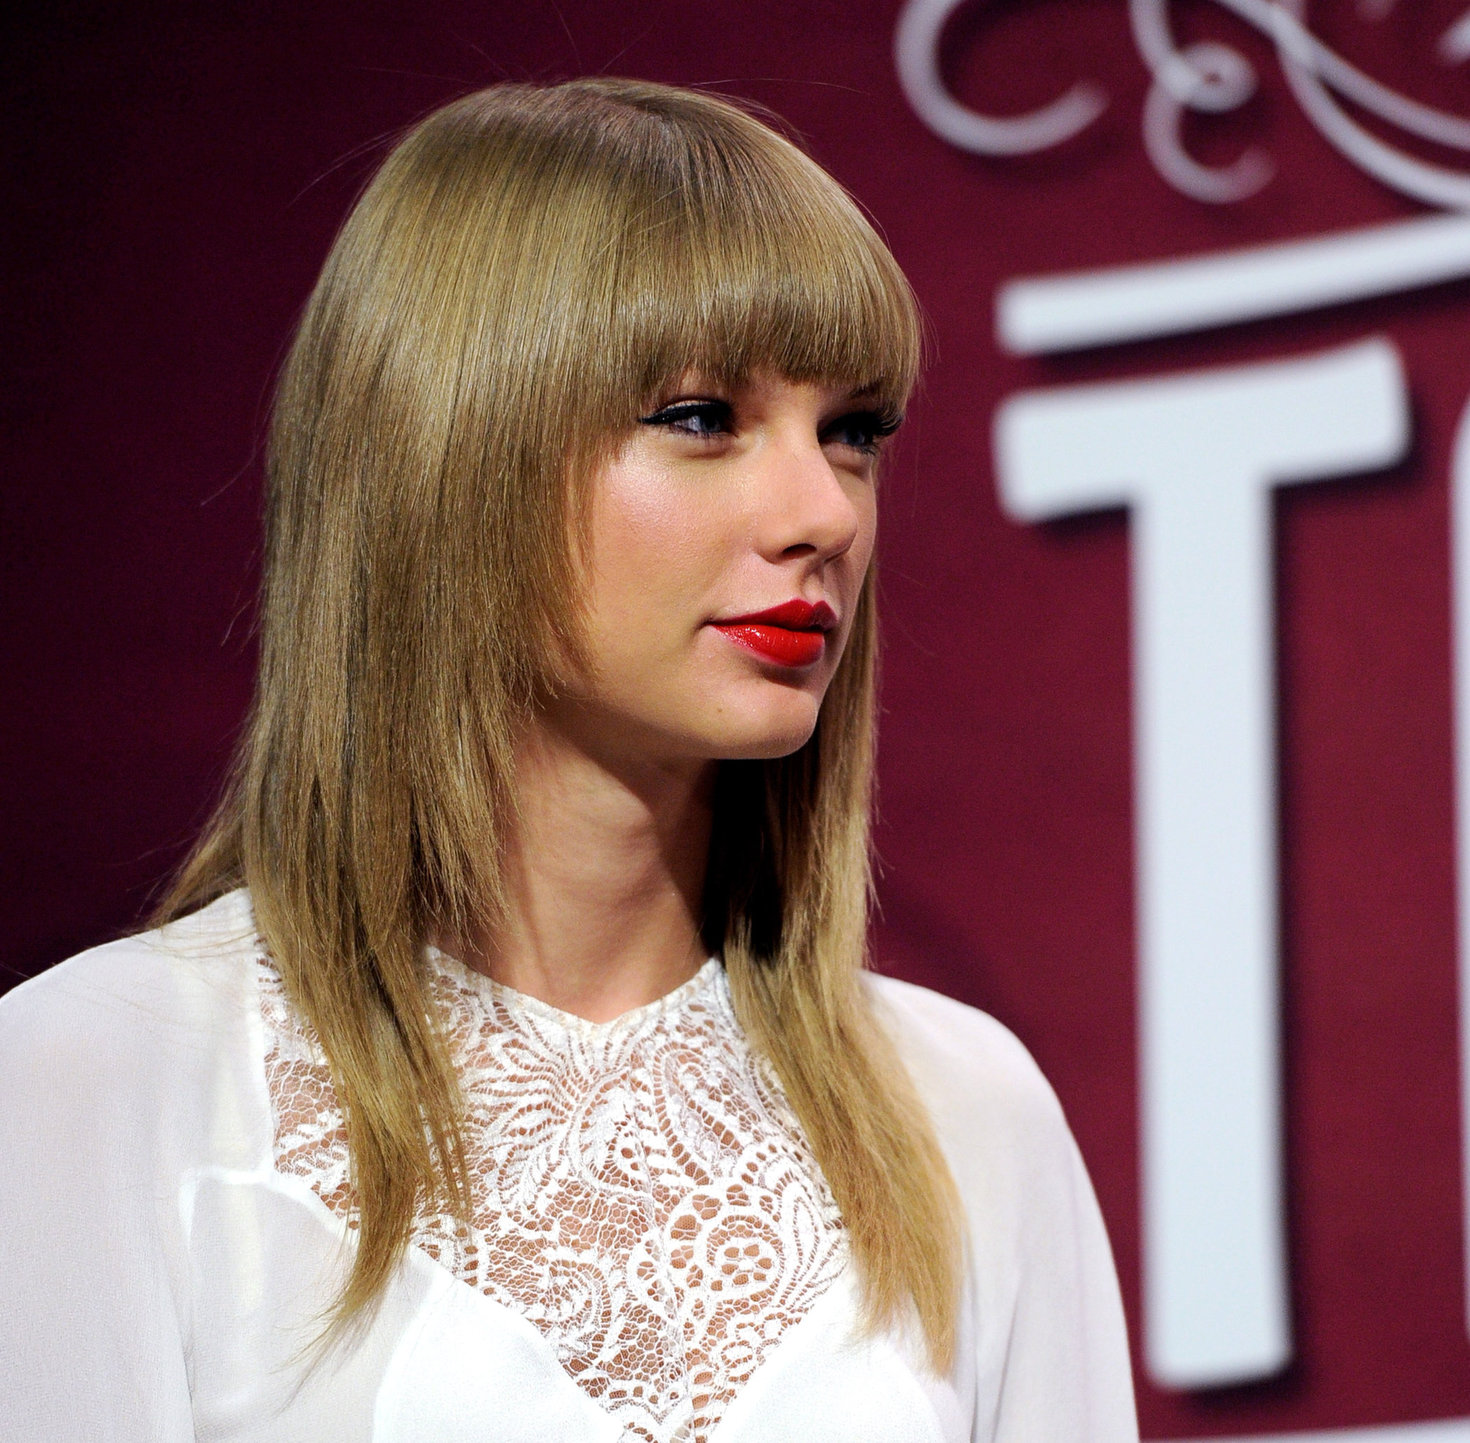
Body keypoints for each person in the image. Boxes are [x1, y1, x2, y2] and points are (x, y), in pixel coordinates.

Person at [0, 78, 1137, 1442]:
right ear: (448, 450)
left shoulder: (964, 1112)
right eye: (703, 416)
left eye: (853, 430)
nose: (820, 510)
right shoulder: (98, 1079)